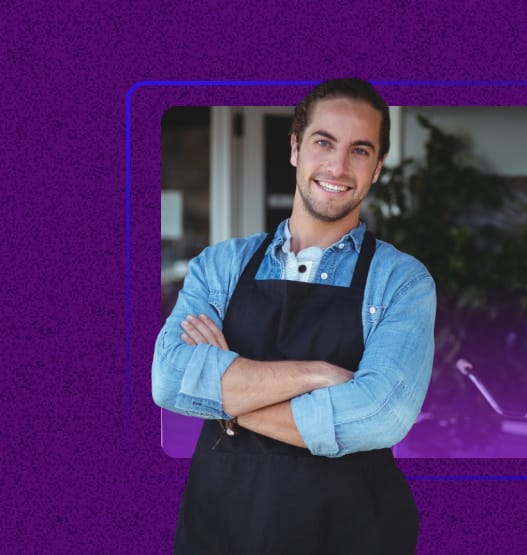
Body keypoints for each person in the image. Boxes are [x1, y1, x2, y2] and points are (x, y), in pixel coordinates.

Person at [151, 78, 436, 554]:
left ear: (378, 166)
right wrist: (316, 374)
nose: (338, 167)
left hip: (351, 534)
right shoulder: (220, 266)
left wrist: (226, 402)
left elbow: (378, 414)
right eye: (324, 142)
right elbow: (169, 378)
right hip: (224, 530)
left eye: (360, 151)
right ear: (295, 148)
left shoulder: (401, 281)